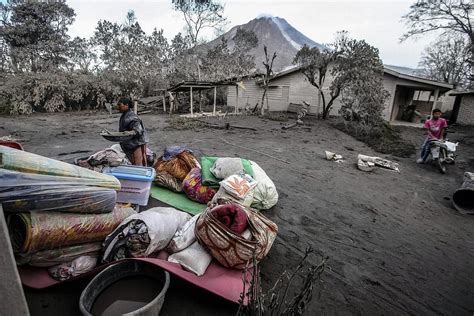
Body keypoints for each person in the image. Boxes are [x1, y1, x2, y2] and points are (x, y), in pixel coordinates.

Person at [117, 97, 148, 166]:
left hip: (137, 145)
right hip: (130, 145)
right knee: (133, 164)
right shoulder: (124, 115)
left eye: (120, 105)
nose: (118, 107)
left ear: (126, 105)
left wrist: (129, 133)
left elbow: (138, 130)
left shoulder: (132, 117)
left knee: (139, 165)